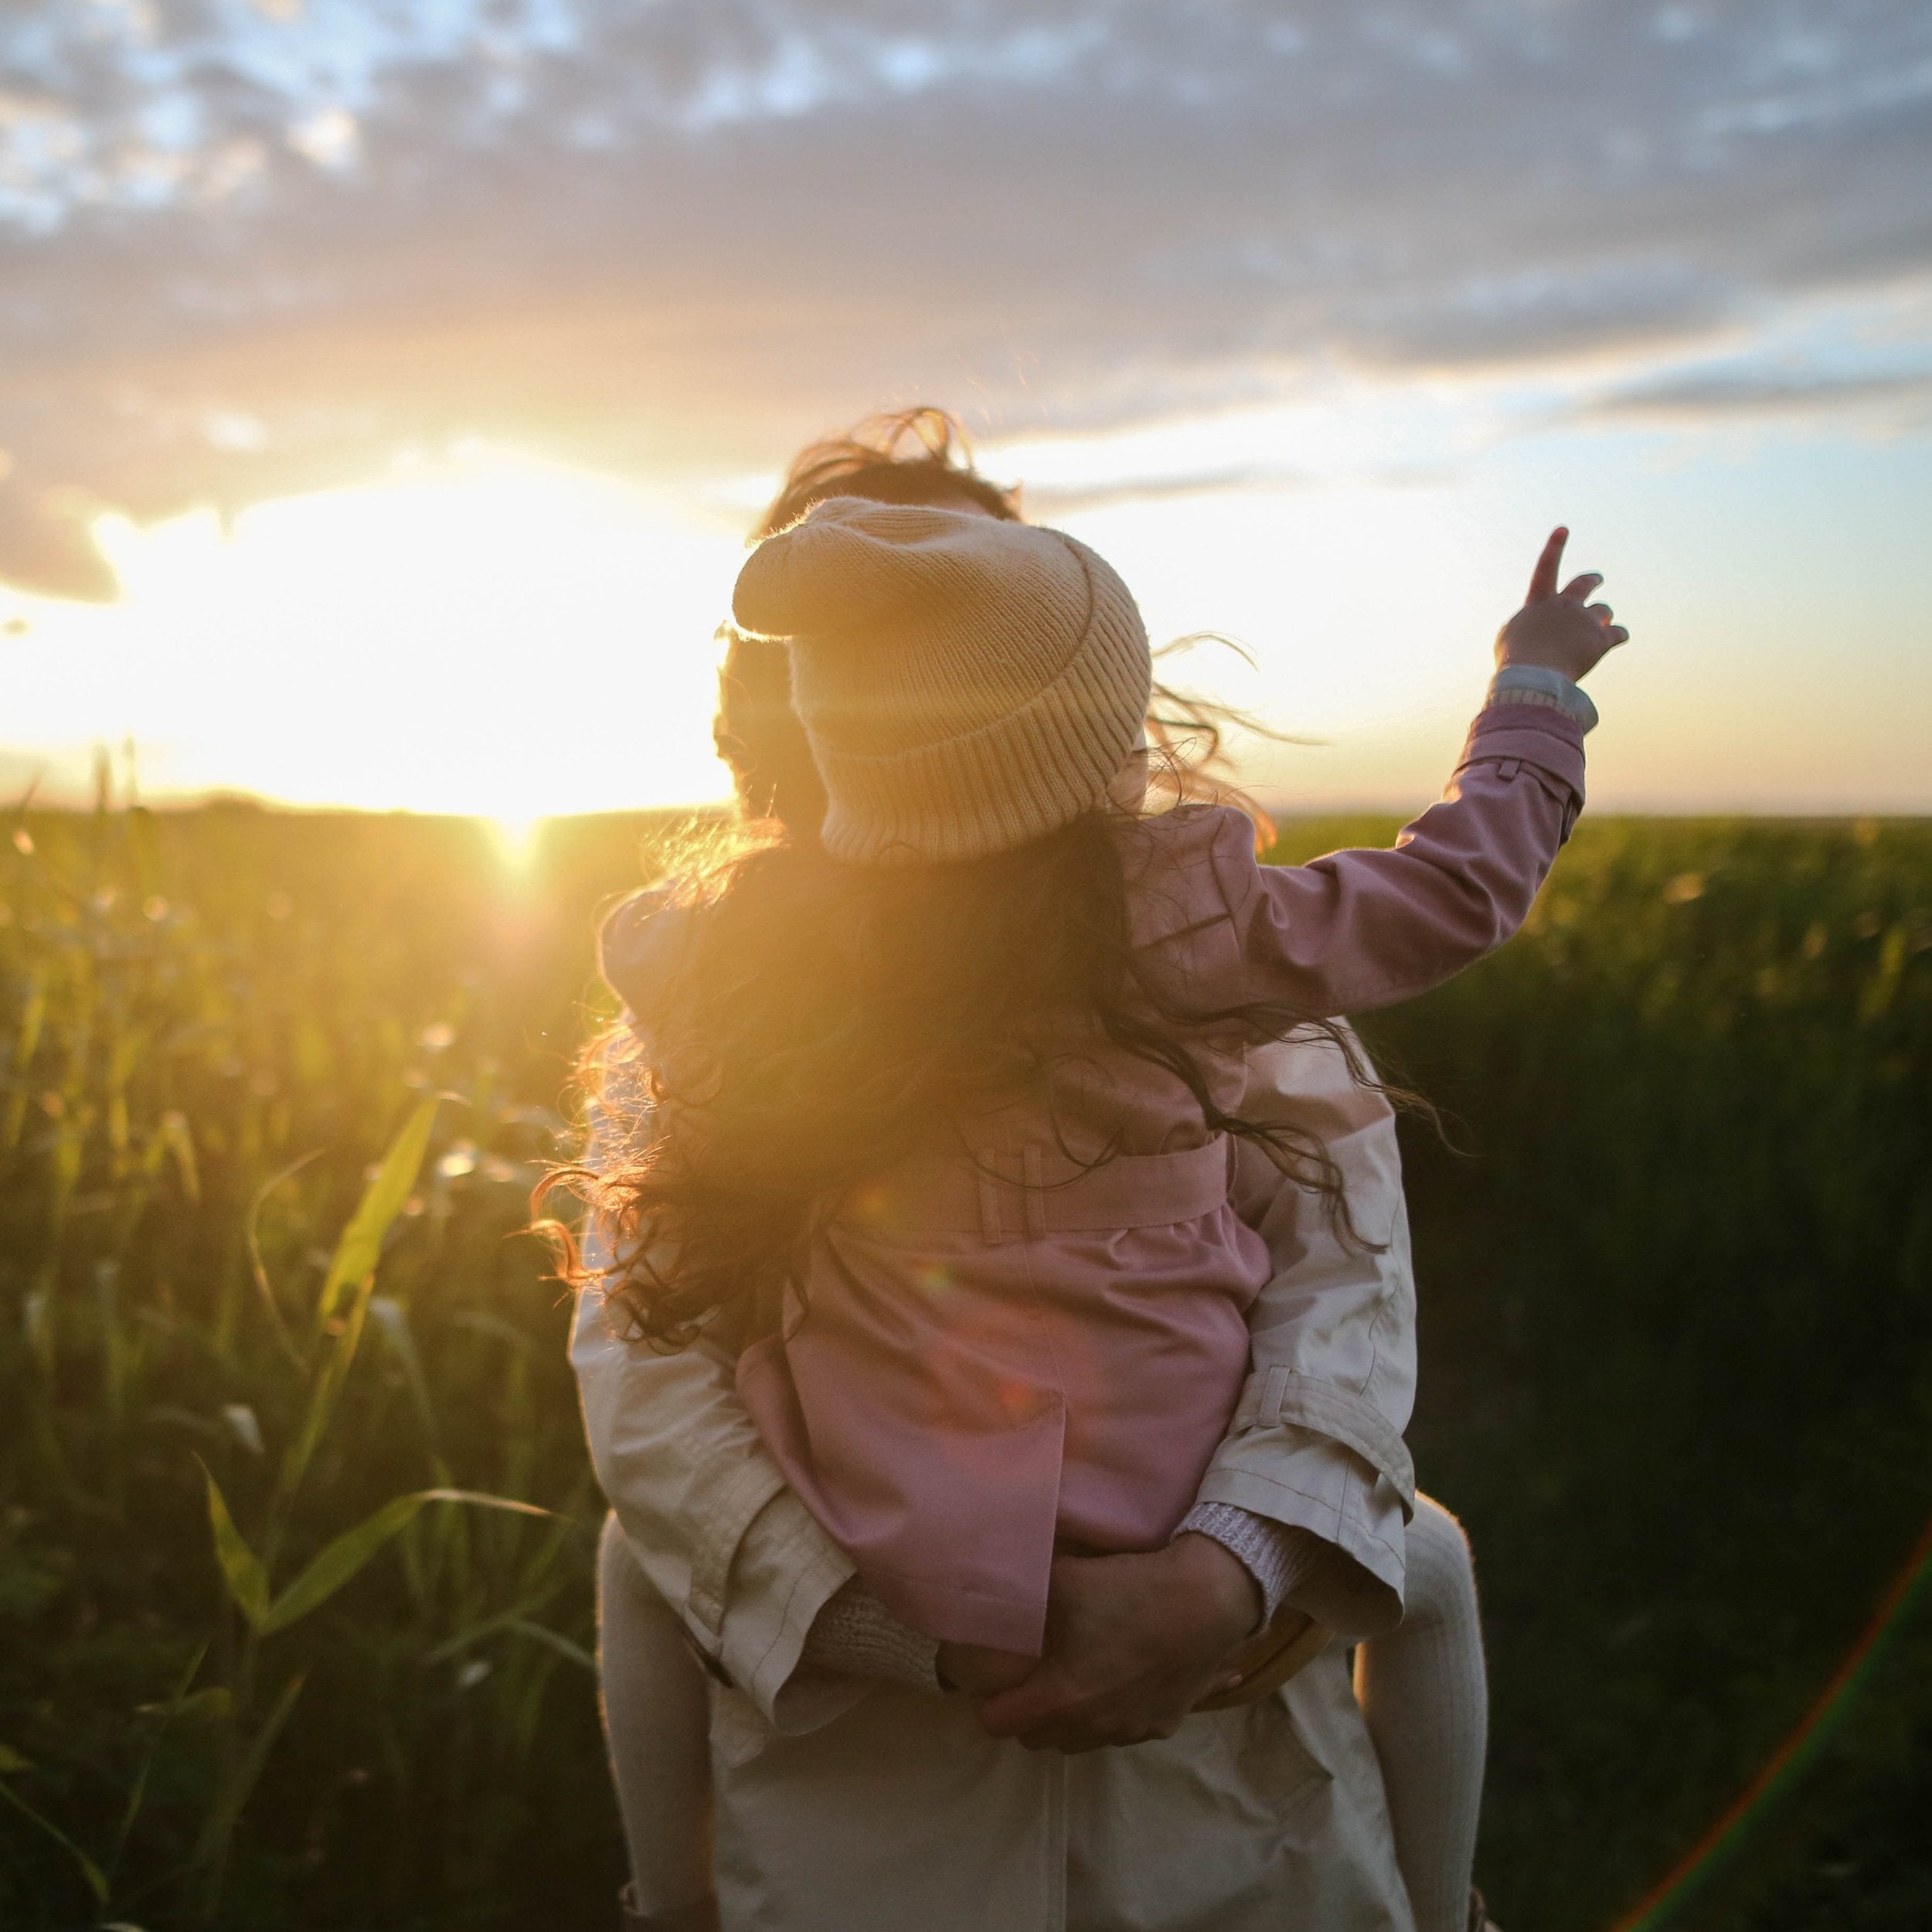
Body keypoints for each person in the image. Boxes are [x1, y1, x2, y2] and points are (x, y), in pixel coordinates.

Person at [566, 413, 1623, 1931]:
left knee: (632, 1564)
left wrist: (1223, 1574)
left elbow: (1343, 1287)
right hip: (858, 1780)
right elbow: (647, 1375)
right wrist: (1529, 696)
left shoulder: (734, 969)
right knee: (1430, 1559)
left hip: (1224, 1773)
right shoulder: (1203, 941)